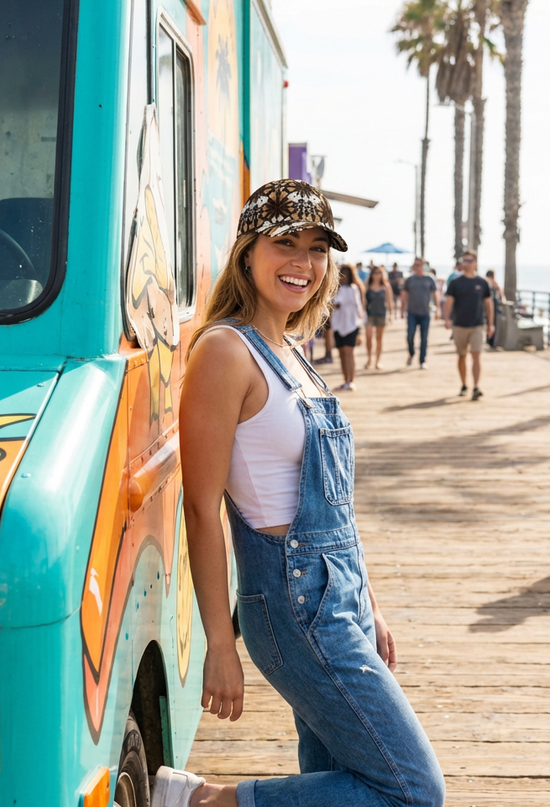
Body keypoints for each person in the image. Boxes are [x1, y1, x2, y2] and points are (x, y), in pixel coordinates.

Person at [173, 179, 444, 807]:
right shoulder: (224, 351)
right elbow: (200, 507)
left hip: (337, 591)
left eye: (319, 248)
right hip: (292, 601)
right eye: (285, 243)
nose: (304, 262)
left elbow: (337, 500)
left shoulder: (293, 349)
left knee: (346, 777)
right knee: (411, 790)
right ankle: (204, 800)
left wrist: (367, 601)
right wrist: (220, 641)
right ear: (247, 252)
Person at [443, 250, 494, 400]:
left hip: (477, 325)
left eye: (470, 260)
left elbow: (488, 303)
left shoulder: (482, 283)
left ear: (475, 263)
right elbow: (449, 301)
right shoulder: (455, 283)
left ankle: (476, 386)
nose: (466, 263)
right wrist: (447, 318)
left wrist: (491, 324)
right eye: (464, 260)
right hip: (459, 325)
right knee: (461, 356)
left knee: (476, 355)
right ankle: (464, 385)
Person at [331, 263, 365, 391]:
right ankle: (345, 380)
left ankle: (351, 380)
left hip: (351, 325)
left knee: (349, 352)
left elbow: (358, 307)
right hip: (338, 325)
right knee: (341, 353)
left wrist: (360, 326)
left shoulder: (354, 289)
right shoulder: (335, 289)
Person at [401, 258, 439, 369]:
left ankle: (422, 360)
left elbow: (435, 294)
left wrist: (438, 310)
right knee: (410, 335)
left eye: (420, 265)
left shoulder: (430, 279)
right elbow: (404, 295)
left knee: (424, 337)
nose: (418, 267)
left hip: (425, 313)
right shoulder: (409, 280)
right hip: (412, 313)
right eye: (416, 265)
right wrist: (402, 310)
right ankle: (411, 353)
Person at [365, 266, 393, 370]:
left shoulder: (386, 286)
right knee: (368, 337)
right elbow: (364, 301)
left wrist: (391, 315)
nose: (377, 275)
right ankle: (369, 359)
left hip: (381, 314)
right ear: (372, 274)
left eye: (379, 273)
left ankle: (377, 361)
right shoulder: (367, 286)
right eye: (375, 272)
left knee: (379, 339)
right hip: (369, 314)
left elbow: (389, 301)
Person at [485, 270, 504, 349]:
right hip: (493, 306)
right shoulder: (494, 283)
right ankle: (492, 341)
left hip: (485, 306)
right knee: (493, 323)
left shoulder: (485, 282)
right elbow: (501, 294)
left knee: (487, 323)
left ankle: (488, 339)